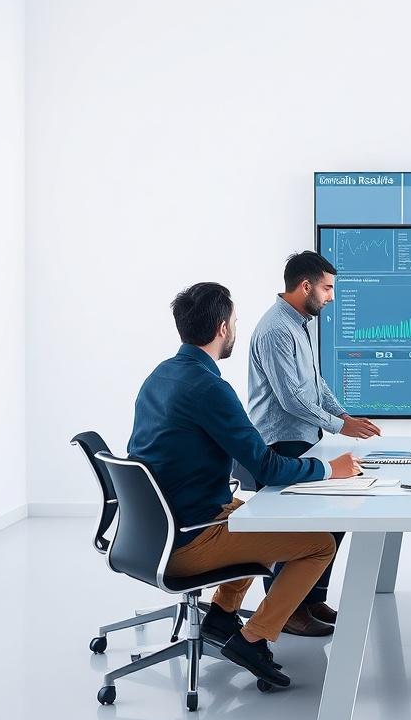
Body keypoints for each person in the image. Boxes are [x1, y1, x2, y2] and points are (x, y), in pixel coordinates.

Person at [127, 282, 363, 688]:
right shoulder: (209, 388)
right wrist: (329, 470)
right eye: (235, 322)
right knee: (319, 544)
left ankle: (221, 615)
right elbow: (267, 467)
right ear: (222, 328)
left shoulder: (160, 375)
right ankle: (253, 639)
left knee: (255, 514)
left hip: (155, 531)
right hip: (189, 540)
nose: (236, 328)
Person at [248, 250, 381, 636]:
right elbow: (291, 398)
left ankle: (310, 598)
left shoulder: (298, 323)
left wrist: (343, 416)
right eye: (327, 288)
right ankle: (286, 611)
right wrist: (340, 428)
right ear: (305, 286)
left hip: (303, 439)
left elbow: (314, 383)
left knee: (332, 519)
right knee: (292, 531)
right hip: (280, 443)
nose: (331, 297)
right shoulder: (276, 329)